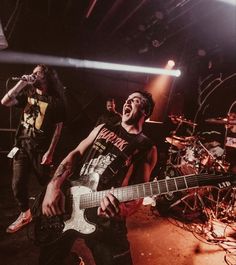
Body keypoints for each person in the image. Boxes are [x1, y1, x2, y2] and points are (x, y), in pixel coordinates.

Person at [40, 91, 157, 265]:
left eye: (135, 100)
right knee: (48, 260)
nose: (128, 102)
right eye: (127, 99)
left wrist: (122, 211)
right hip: (70, 201)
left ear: (145, 111)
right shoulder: (103, 128)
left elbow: (140, 190)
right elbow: (76, 153)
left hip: (105, 218)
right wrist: (53, 186)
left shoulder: (146, 147)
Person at [1, 64, 66, 233]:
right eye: (33, 72)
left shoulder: (55, 101)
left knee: (47, 184)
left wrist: (50, 152)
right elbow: (5, 101)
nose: (33, 75)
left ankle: (56, 214)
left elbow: (58, 129)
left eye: (37, 73)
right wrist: (22, 83)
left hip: (40, 151)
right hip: (22, 146)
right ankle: (25, 214)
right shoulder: (28, 93)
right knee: (17, 184)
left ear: (46, 78)